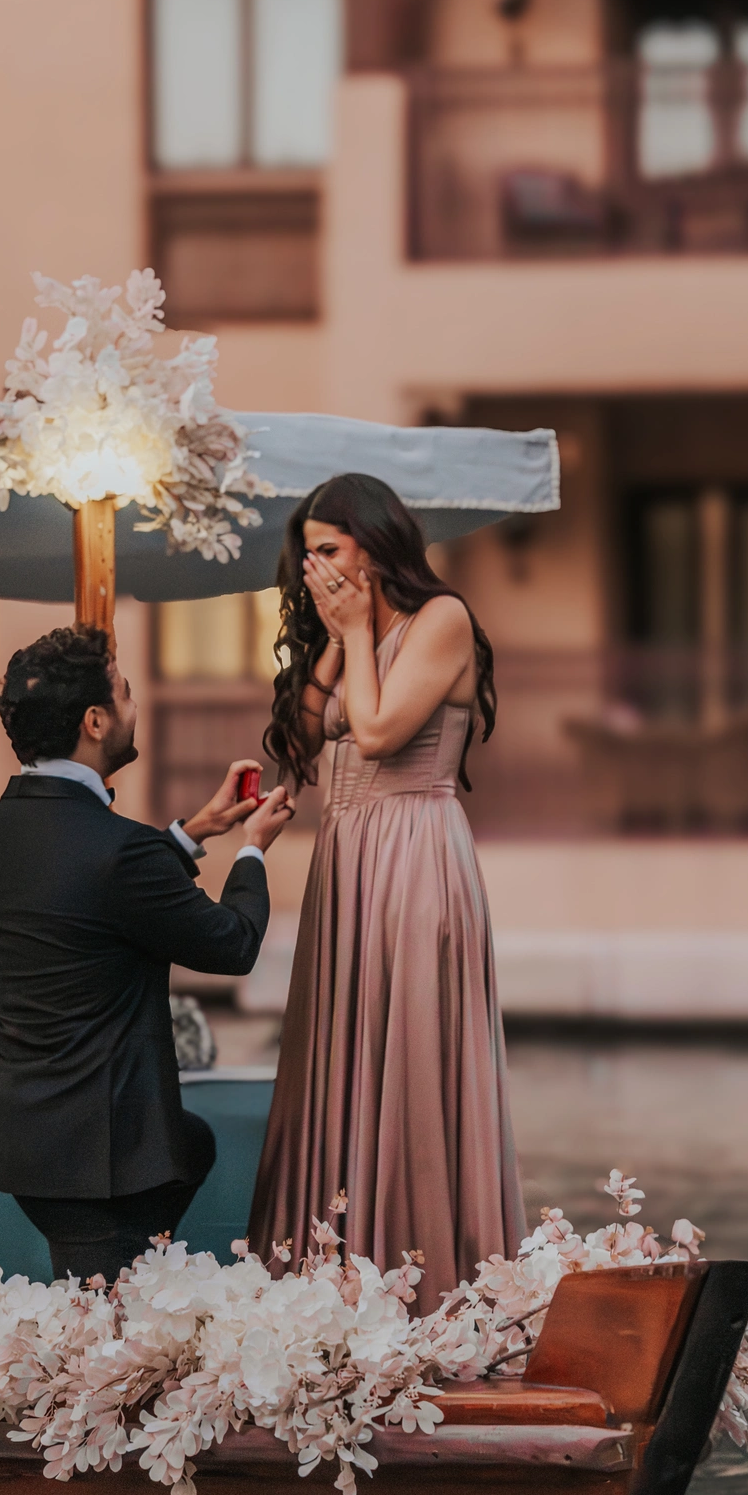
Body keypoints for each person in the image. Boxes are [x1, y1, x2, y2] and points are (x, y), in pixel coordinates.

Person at [0, 623, 292, 1374]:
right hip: (104, 1154)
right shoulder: (120, 852)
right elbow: (230, 944)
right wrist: (250, 851)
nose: (135, 707)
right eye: (126, 692)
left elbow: (77, 890)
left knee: (174, 1177)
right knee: (98, 1349)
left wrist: (191, 832)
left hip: (22, 1137)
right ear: (96, 721)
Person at [248, 474, 525, 1311]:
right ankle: (327, 1279)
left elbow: (372, 732)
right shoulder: (353, 630)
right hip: (346, 858)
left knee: (405, 1055)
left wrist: (359, 625)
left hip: (411, 854)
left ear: (373, 542)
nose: (315, 569)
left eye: (329, 550)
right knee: (338, 1052)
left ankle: (424, 1281)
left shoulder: (440, 619)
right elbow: (302, 735)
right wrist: (336, 639)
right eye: (307, 556)